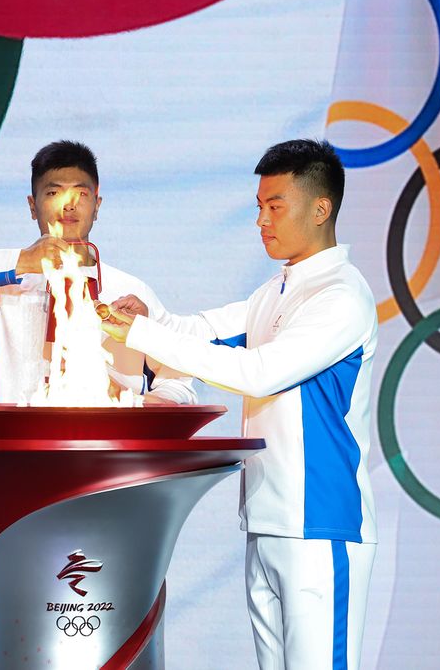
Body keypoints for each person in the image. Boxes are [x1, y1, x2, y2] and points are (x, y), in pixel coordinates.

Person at [103, 139, 377, 669]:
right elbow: (200, 331)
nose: (261, 221)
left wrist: (142, 331)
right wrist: (148, 318)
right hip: (267, 520)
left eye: (275, 207)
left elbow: (260, 371)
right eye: (259, 207)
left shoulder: (341, 297)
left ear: (321, 209)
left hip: (320, 525)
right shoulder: (275, 292)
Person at [0, 140, 195, 405]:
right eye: (53, 192)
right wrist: (23, 261)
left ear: (97, 206)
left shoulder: (131, 293)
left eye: (81, 193)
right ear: (33, 207)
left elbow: (180, 384)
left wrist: (127, 403)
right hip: (15, 452)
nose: (68, 204)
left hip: (106, 453)